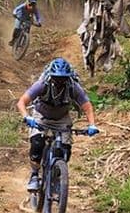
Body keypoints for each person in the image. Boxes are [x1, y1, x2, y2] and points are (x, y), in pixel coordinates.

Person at [16, 57, 99, 191]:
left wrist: (92, 125)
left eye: (63, 78)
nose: (60, 81)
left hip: (62, 118)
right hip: (41, 116)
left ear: (68, 77)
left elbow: (87, 106)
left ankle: (57, 175)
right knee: (37, 144)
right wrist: (27, 117)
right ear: (51, 76)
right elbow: (22, 102)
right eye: (57, 78)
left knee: (65, 149)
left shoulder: (73, 86)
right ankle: (35, 175)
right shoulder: (42, 84)